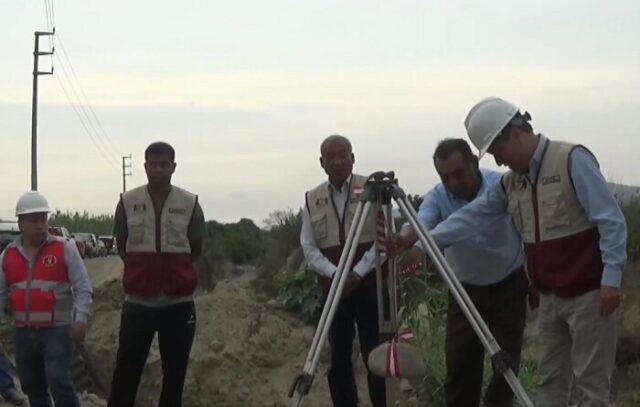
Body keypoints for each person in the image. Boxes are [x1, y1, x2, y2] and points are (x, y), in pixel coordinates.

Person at [425, 97, 627, 406]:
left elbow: (611, 222)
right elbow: (472, 216)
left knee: (590, 385)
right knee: (550, 382)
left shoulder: (571, 159)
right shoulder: (511, 183)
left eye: (498, 152)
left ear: (514, 135)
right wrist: (422, 242)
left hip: (589, 296)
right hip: (549, 299)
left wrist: (611, 280)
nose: (499, 162)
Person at [390, 138, 529, 406]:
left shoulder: (502, 185)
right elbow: (421, 221)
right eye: (445, 177)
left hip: (509, 284)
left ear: (474, 163)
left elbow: (527, 229)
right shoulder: (437, 196)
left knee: (507, 363)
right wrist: (406, 240)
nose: (452, 182)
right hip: (464, 289)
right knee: (460, 365)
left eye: (458, 173)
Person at [108, 142, 205, 407]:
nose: (159, 169)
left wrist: (172, 272)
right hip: (138, 304)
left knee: (174, 374)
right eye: (153, 164)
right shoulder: (127, 202)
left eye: (164, 164)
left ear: (173, 167)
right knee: (126, 370)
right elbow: (123, 245)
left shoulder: (190, 203)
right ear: (145, 167)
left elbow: (194, 249)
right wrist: (144, 273)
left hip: (178, 305)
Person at [300, 135, 386, 407]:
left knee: (376, 353)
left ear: (352, 157)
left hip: (371, 286)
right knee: (339, 356)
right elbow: (309, 245)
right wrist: (336, 274)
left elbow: (384, 239)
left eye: (343, 154)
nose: (337, 161)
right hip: (333, 290)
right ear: (322, 162)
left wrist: (358, 272)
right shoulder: (312, 199)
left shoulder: (372, 191)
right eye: (331, 156)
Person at [0, 191, 93, 407]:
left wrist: (81, 319)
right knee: (32, 386)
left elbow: (83, 286)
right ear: (20, 223)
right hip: (24, 331)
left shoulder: (64, 248)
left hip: (57, 330)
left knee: (58, 380)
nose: (40, 225)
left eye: (43, 219)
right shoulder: (8, 256)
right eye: (33, 220)